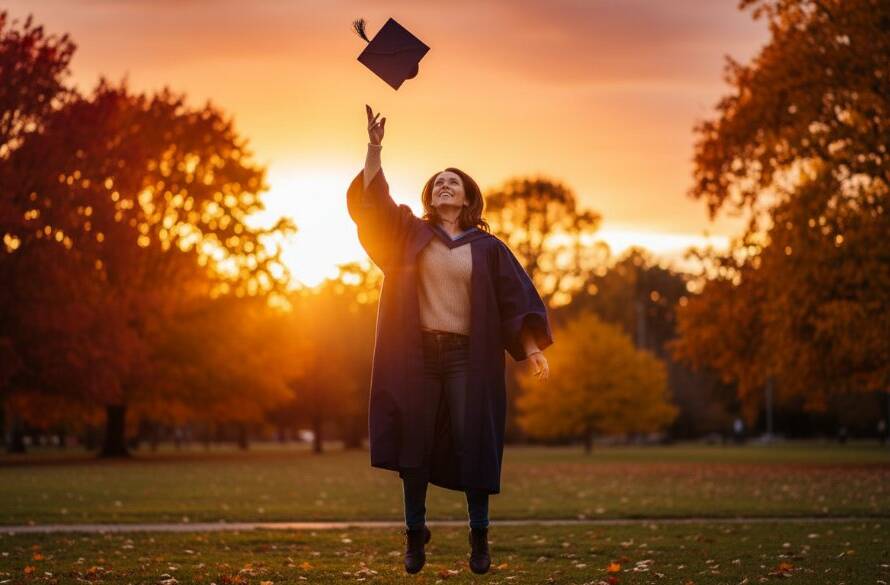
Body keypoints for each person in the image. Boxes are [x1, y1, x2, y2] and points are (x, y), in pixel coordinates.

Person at [346, 105, 553, 575]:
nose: (444, 184)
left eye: (452, 182)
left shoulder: (488, 248)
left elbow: (514, 301)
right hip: (417, 356)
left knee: (473, 439)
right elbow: (373, 206)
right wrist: (374, 148)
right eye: (437, 180)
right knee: (412, 444)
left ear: (466, 198)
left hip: (466, 358)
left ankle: (479, 535)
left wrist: (533, 347)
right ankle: (414, 533)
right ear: (430, 195)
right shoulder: (409, 235)